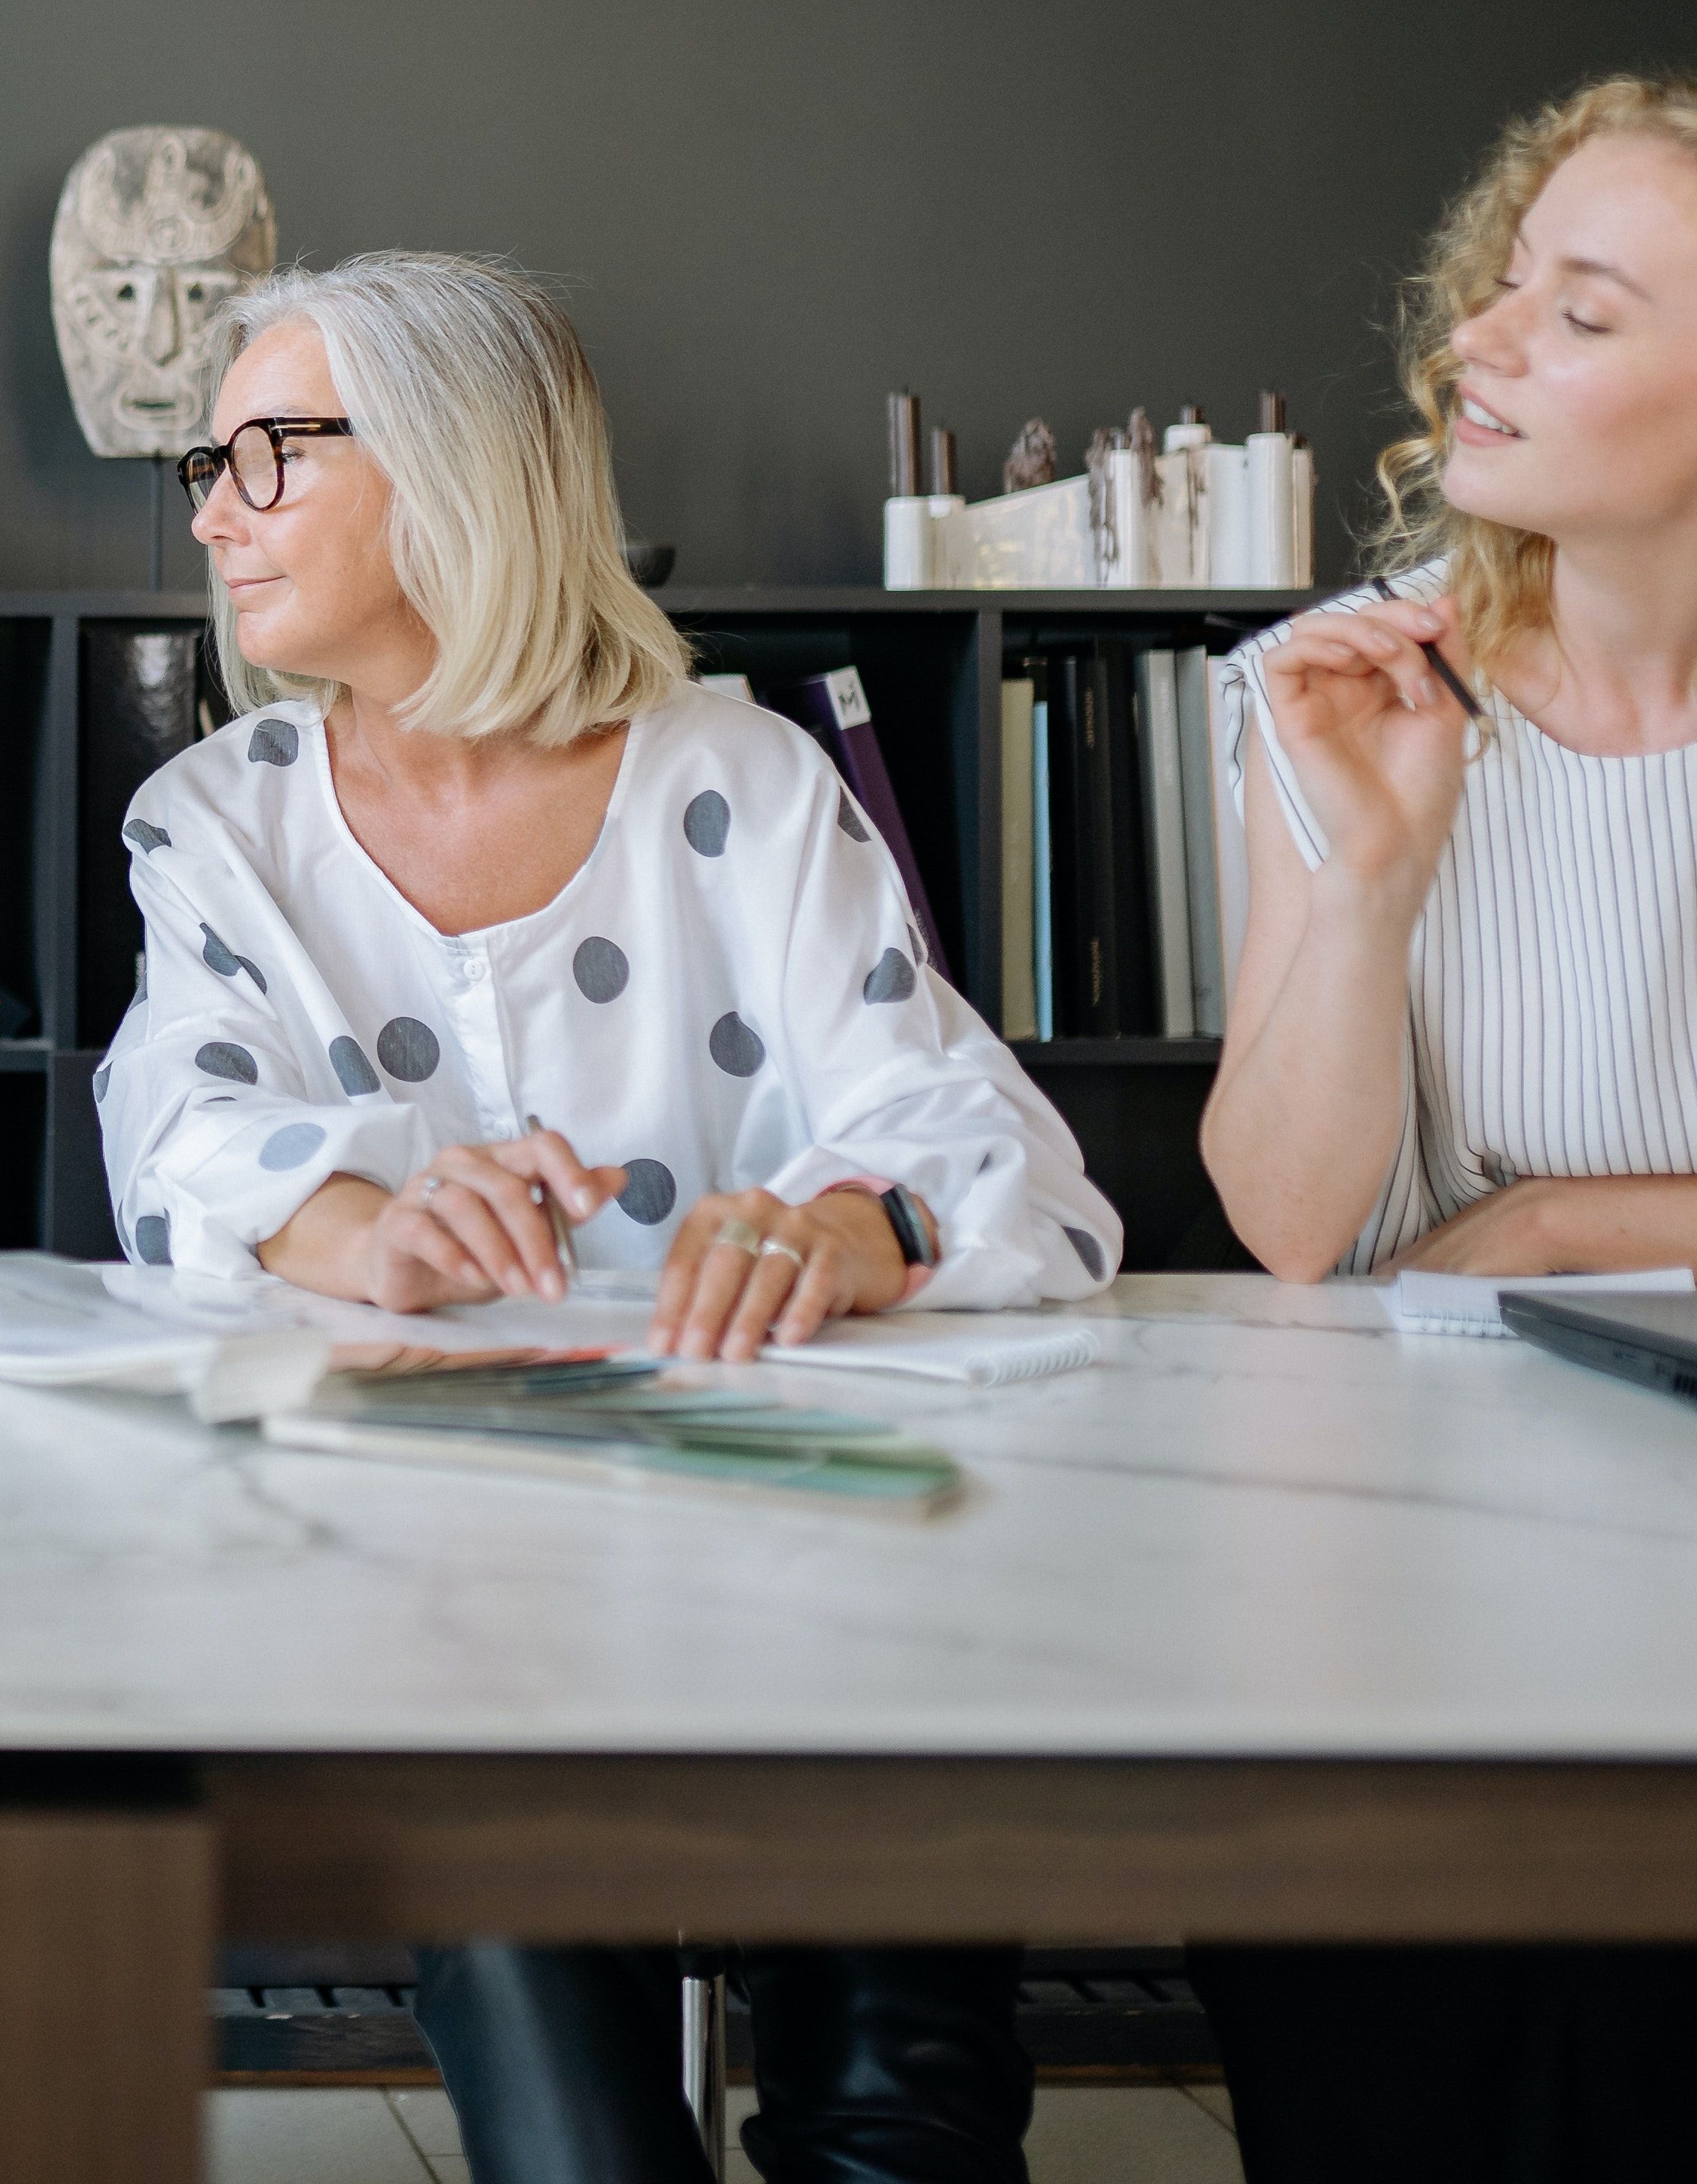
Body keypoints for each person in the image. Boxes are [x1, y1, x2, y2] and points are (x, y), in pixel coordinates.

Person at [98, 252, 1118, 2184]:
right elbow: (175, 1134)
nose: (217, 511)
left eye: (270, 455)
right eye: (205, 465)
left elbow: (986, 1153)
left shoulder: (739, 779)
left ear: (456, 469)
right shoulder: (219, 820)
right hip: (429, 1566)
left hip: (798, 1532)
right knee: (579, 2139)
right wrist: (362, 1226)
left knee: (905, 2110)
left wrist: (842, 1228)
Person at [1195, 72, 1697, 2181]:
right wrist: (1372, 877)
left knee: (1636, 2125)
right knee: (1362, 2116)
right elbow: (1297, 1227)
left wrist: (1553, 1222)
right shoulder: (1331, 689)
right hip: (1375, 1562)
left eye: (1580, 313)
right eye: (1501, 291)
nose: (1473, 342)